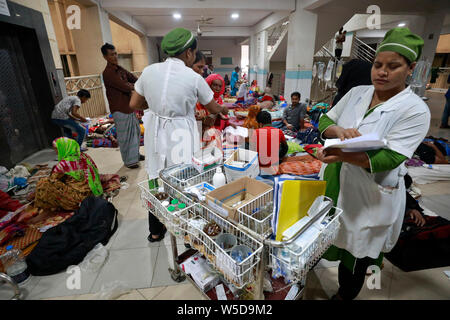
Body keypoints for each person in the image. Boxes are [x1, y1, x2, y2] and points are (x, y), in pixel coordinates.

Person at [316, 27, 430, 300]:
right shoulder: (358, 92)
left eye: (393, 66)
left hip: (372, 192)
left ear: (410, 68)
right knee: (330, 235)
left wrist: (342, 153)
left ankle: (345, 295)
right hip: (335, 177)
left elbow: (390, 158)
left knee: (356, 252)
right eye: (378, 65)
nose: (382, 72)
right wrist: (339, 133)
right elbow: (325, 120)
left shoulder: (414, 109)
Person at [129, 28, 228, 242]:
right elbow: (212, 108)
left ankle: (156, 231)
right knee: (184, 178)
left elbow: (134, 103)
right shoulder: (193, 78)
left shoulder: (149, 71)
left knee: (156, 176)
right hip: (181, 132)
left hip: (156, 130)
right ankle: (183, 229)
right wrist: (222, 109)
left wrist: (157, 107)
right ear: (189, 53)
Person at [102, 43, 144, 169]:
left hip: (129, 107)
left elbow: (133, 78)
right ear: (105, 57)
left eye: (115, 53)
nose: (115, 56)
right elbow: (124, 86)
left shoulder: (119, 69)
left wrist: (140, 83)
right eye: (111, 55)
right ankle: (129, 161)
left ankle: (135, 155)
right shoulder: (108, 73)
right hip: (119, 108)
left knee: (135, 132)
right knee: (125, 136)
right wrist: (136, 87)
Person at [34, 137, 103, 211]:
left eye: (57, 149)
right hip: (93, 191)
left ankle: (44, 211)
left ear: (64, 148)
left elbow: (52, 180)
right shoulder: (85, 156)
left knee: (44, 184)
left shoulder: (63, 164)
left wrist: (35, 194)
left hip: (80, 198)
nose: (56, 152)